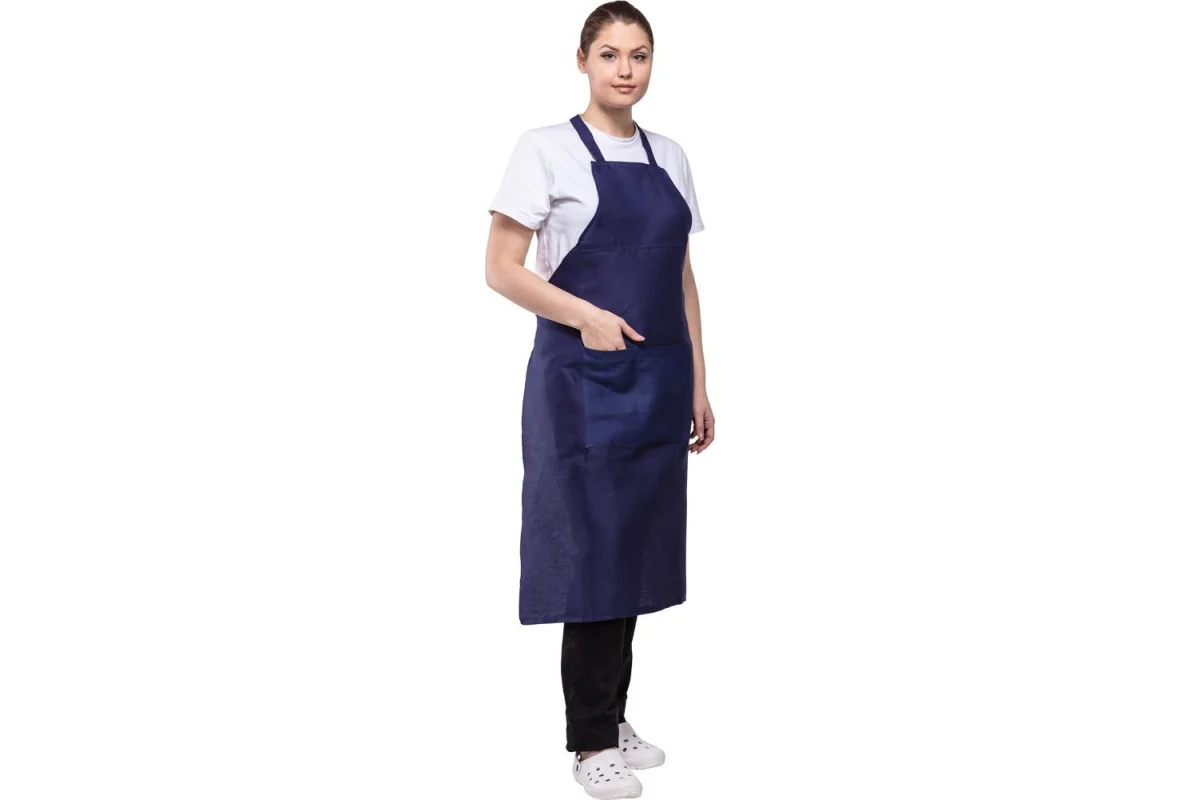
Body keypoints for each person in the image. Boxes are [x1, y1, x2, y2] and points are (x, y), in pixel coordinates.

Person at [484, 3, 714, 797]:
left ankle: (611, 715)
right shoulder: (544, 150)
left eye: (639, 54)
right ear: (581, 59)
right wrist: (586, 317)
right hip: (581, 383)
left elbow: (680, 277)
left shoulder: (670, 155)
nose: (626, 69)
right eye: (610, 53)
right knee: (592, 553)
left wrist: (699, 382)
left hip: (657, 382)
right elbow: (501, 268)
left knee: (636, 548)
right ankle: (589, 743)